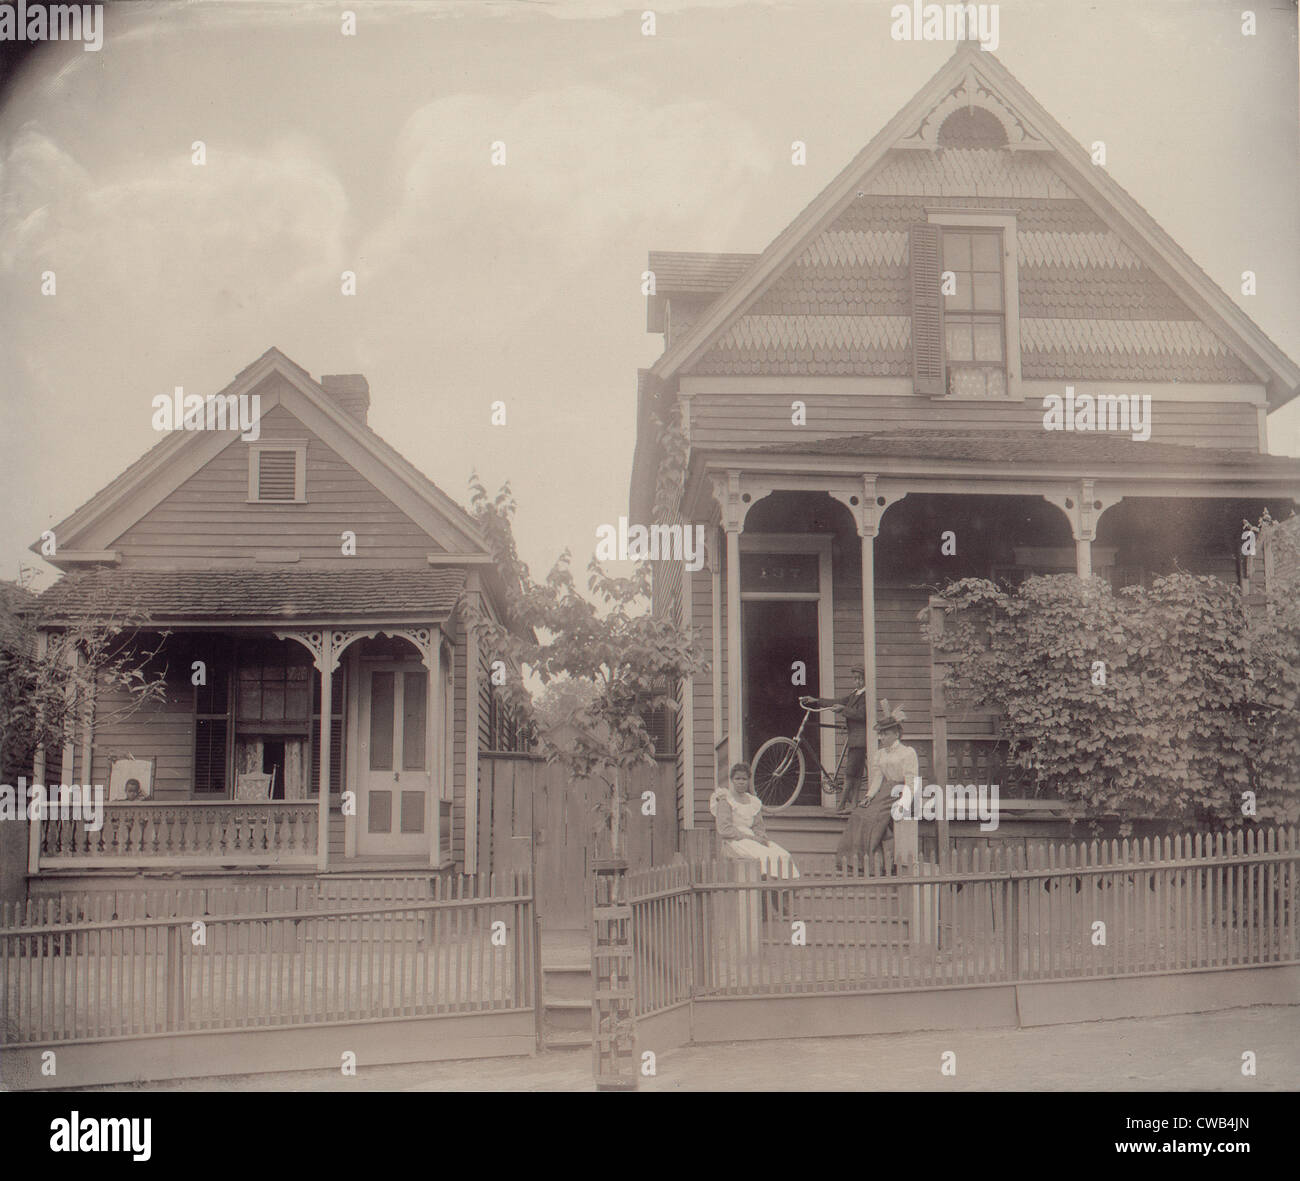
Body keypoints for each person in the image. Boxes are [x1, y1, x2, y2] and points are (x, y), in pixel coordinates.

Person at [854, 701, 920, 870]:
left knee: (876, 818)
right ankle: (863, 860)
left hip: (900, 792)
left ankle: (881, 862)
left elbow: (911, 781)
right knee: (861, 813)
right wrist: (869, 796)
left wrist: (904, 804)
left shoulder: (907, 752)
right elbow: (877, 779)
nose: (881, 737)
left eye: (885, 734)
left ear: (896, 734)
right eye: (880, 734)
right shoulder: (880, 754)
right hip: (884, 793)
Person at [713, 763, 799, 878]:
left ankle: (779, 889)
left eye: (744, 779)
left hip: (753, 838)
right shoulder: (726, 800)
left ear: (748, 780)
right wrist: (752, 838)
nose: (741, 782)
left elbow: (758, 826)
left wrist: (761, 838)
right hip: (734, 840)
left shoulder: (753, 802)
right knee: (764, 856)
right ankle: (766, 886)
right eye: (737, 778)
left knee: (783, 855)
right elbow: (725, 829)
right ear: (732, 780)